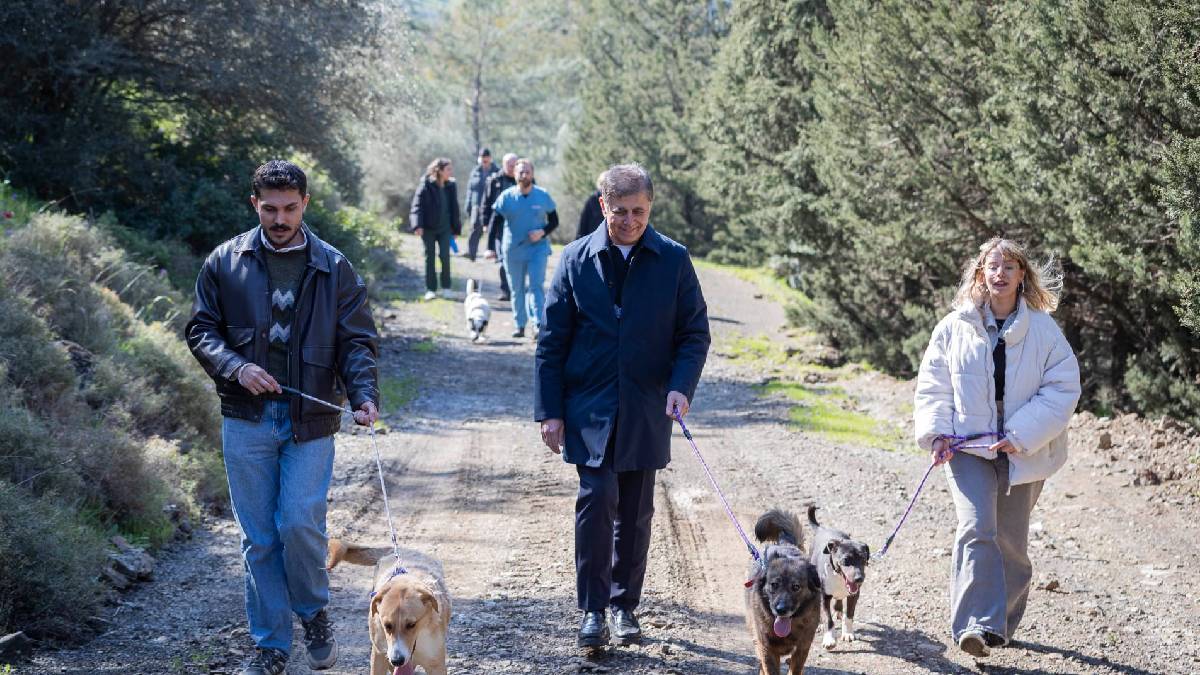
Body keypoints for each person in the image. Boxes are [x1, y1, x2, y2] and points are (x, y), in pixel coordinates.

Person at [185, 160, 380, 675]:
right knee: (260, 539)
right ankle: (270, 646)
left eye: (290, 208)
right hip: (245, 418)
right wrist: (236, 366)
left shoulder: (335, 267)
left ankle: (314, 613)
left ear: (305, 204)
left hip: (311, 419)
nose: (279, 218)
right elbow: (201, 330)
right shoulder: (224, 262)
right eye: (269, 208)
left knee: (299, 525)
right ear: (255, 205)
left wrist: (363, 394)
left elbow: (358, 341)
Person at [535, 163, 710, 648]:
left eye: (639, 211)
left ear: (650, 207)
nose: (630, 220)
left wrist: (681, 386)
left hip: (647, 406)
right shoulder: (574, 259)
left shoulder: (673, 260)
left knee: (635, 512)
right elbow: (551, 341)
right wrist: (550, 411)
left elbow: (694, 332)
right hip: (588, 406)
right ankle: (591, 611)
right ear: (602, 206)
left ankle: (623, 608)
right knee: (596, 501)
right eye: (620, 211)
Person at [914, 237, 1080, 659]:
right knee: (976, 528)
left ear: (1022, 275)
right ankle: (975, 625)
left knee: (1010, 542)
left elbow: (1062, 388)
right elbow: (934, 385)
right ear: (980, 273)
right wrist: (936, 434)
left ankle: (1000, 625)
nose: (1000, 274)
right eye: (993, 266)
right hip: (967, 448)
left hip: (1024, 447)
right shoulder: (954, 326)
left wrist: (1021, 434)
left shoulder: (1044, 329)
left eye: (1009, 267)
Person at [492, 158, 559, 337]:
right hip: (513, 249)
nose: (524, 175)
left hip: (537, 249)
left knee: (536, 286)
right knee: (517, 288)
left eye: (527, 171)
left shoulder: (542, 195)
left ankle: (538, 324)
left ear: (533, 173)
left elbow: (554, 221)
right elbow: (495, 222)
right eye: (520, 172)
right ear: (514, 174)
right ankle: (519, 324)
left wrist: (542, 232)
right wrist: (491, 247)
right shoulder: (506, 197)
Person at [410, 157, 462, 300]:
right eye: (448, 169)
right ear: (439, 170)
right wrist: (417, 225)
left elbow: (454, 208)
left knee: (445, 256)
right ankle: (431, 289)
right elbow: (417, 206)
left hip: (445, 229)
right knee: (430, 257)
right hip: (428, 229)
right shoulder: (426, 184)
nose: (451, 172)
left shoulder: (451, 185)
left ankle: (446, 287)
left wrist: (456, 229)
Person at [483, 152, 519, 301]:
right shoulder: (494, 180)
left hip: (518, 228)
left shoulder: (525, 180)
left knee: (517, 260)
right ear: (503, 165)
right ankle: (506, 290)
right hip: (499, 227)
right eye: (509, 165)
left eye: (514, 165)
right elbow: (486, 203)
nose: (511, 168)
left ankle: (516, 288)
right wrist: (485, 222)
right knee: (503, 260)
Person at [464, 147, 498, 261]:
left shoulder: (496, 171)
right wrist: (468, 205)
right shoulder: (475, 172)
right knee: (474, 229)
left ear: (490, 158)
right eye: (482, 157)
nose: (484, 159)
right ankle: (471, 253)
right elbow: (470, 190)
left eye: (486, 157)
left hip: (491, 206)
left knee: (494, 229)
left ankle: (495, 253)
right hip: (477, 205)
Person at [574, 176, 604, 240]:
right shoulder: (592, 200)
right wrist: (578, 240)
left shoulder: (616, 200)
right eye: (602, 184)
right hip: (593, 239)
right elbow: (584, 222)